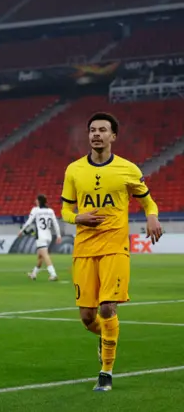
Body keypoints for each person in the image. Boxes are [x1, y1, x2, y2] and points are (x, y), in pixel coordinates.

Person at [60, 112, 162, 392]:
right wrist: (76, 218)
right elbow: (66, 210)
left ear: (113, 136)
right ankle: (106, 335)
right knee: (87, 318)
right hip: (84, 249)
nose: (96, 134)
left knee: (108, 307)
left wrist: (152, 216)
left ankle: (106, 372)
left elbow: (148, 202)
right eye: (92, 130)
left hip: (115, 247)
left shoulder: (128, 169)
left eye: (102, 130)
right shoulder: (74, 170)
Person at [18, 194, 61, 281]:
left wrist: (21, 230)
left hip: (40, 236)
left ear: (39, 201)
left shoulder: (36, 210)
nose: (35, 202)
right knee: (40, 257)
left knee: (45, 255)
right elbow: (55, 224)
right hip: (48, 236)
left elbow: (29, 221)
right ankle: (33, 274)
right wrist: (58, 235)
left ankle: (53, 274)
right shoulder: (51, 211)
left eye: (36, 200)